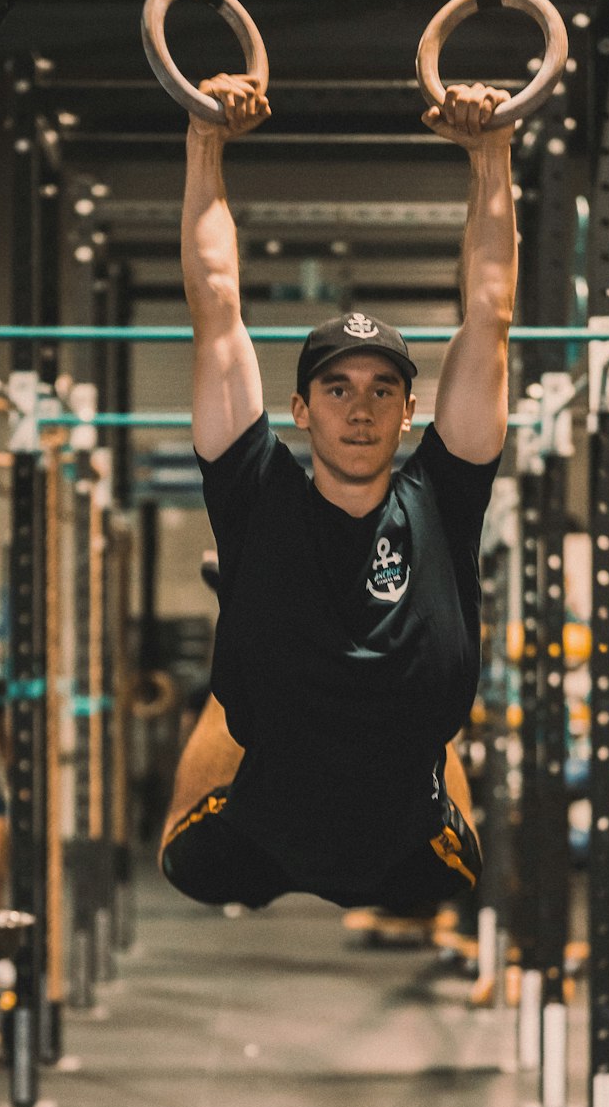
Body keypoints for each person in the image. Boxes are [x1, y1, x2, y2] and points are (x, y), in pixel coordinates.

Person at [159, 71, 516, 914]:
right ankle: (237, 592)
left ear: (408, 409)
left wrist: (493, 152)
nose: (360, 407)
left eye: (382, 389)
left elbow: (490, 311)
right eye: (336, 387)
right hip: (251, 837)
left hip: (409, 851)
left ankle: (245, 597)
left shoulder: (444, 492)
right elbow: (215, 304)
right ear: (299, 408)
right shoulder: (257, 488)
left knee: (421, 738)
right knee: (188, 844)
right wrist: (204, 139)